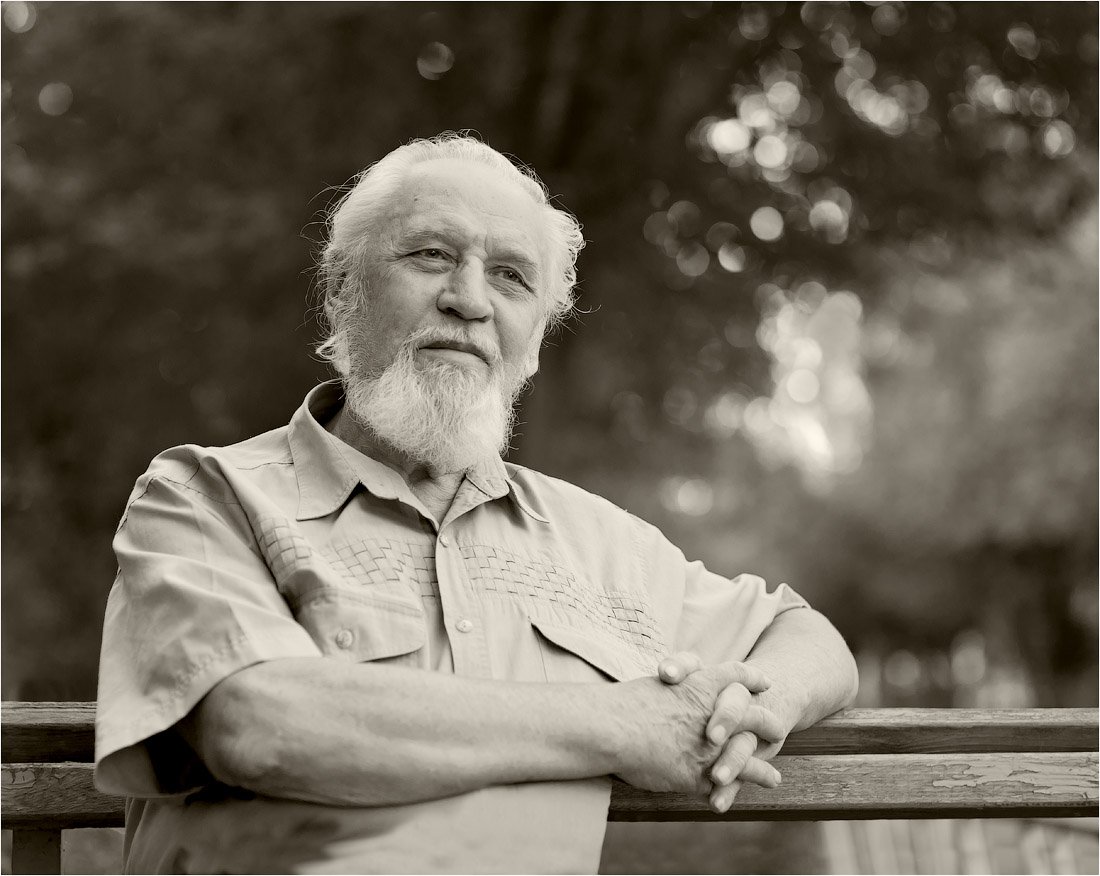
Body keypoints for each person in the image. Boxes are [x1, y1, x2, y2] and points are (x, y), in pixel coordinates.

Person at [95, 133, 858, 874]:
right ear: (342, 290)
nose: (469, 300)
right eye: (431, 255)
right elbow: (256, 725)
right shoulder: (204, 496)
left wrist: (757, 708)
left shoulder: (597, 541)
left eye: (511, 277)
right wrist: (626, 724)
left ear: (536, 336)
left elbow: (804, 635)